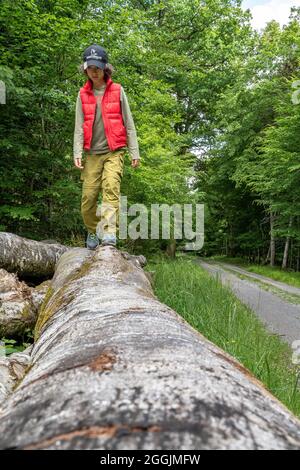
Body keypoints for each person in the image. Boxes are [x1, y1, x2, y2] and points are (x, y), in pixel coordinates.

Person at [73, 44, 140, 249]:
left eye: (97, 67)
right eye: (90, 67)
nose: (94, 71)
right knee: (88, 199)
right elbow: (78, 126)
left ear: (105, 68)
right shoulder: (82, 94)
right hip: (92, 154)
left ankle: (109, 233)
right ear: (85, 69)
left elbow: (129, 123)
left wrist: (134, 150)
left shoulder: (118, 91)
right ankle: (94, 230)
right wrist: (77, 151)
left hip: (114, 151)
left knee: (111, 188)